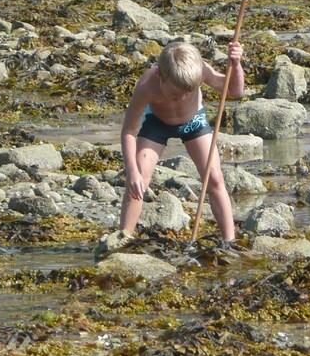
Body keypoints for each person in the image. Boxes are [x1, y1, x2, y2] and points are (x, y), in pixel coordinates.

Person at [100, 40, 244, 253]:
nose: (182, 97)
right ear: (160, 75)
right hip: (157, 124)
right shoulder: (147, 85)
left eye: (188, 92)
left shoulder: (199, 69)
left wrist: (236, 64)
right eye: (175, 94)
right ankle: (123, 238)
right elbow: (129, 131)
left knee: (214, 178)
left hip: (193, 122)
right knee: (139, 179)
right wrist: (132, 172)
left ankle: (229, 242)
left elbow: (235, 91)